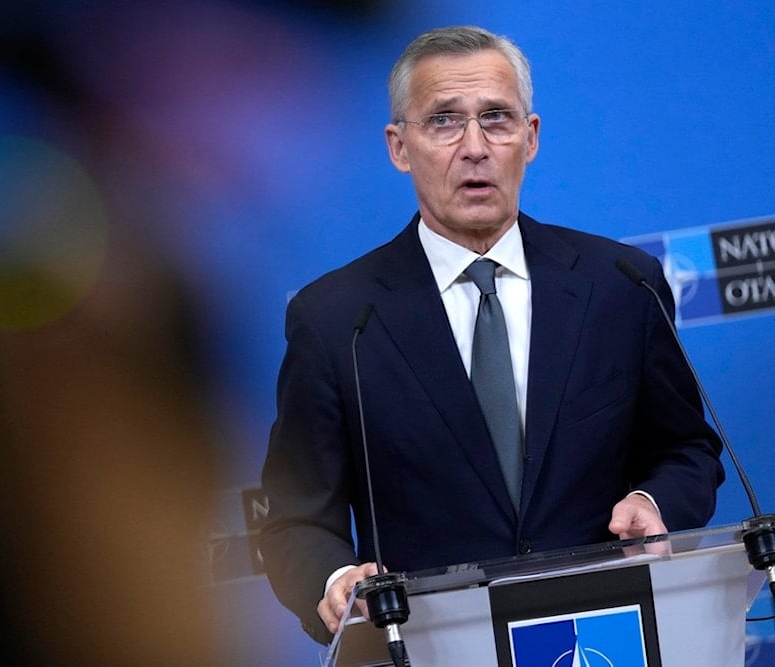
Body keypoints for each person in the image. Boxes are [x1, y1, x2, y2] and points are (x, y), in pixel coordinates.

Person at [259, 25, 724, 645]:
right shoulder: (336, 318)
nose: (475, 147)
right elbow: (294, 520)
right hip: (429, 648)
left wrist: (656, 503)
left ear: (529, 139)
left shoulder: (619, 285)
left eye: (497, 119)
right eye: (445, 121)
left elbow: (688, 450)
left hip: (606, 636)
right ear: (399, 146)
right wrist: (336, 579)